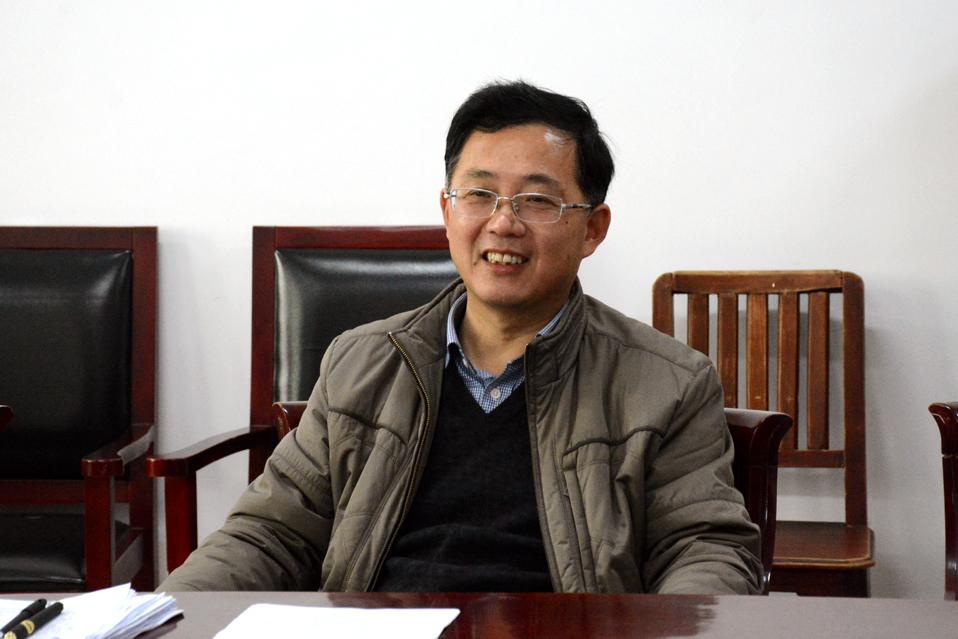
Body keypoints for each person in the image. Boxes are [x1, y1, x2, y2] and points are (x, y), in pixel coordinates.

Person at [160, 81, 763, 594]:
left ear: (592, 229)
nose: (503, 222)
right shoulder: (360, 362)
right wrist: (168, 613)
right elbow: (271, 532)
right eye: (479, 194)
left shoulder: (667, 382)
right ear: (448, 212)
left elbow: (705, 548)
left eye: (537, 200)